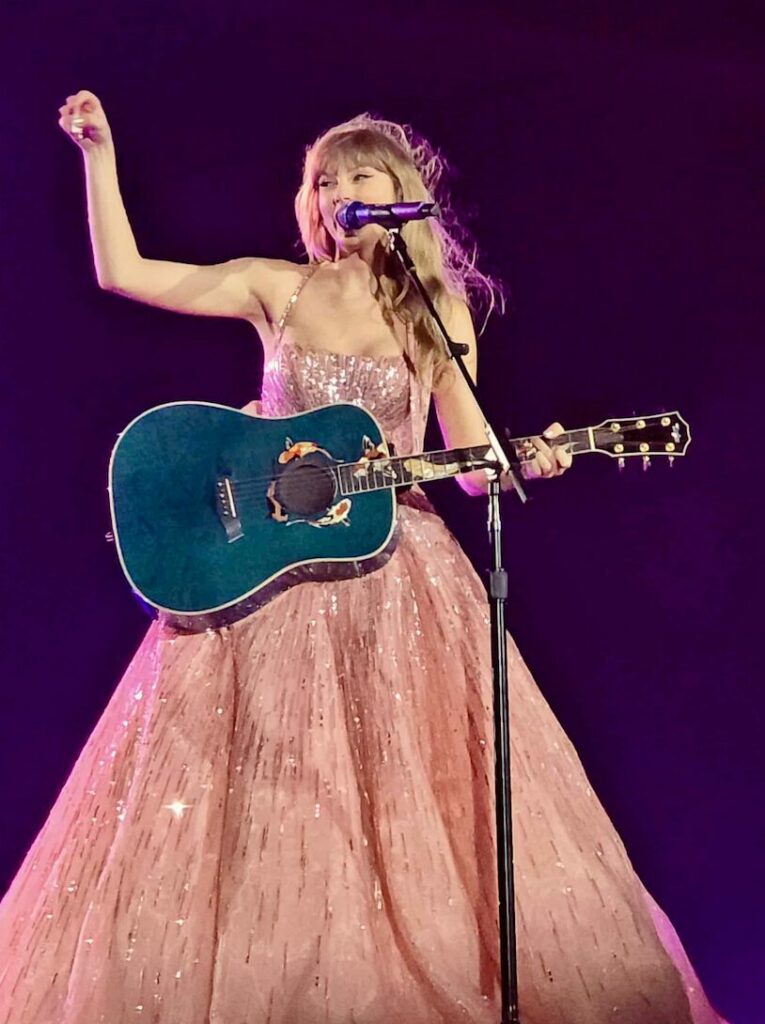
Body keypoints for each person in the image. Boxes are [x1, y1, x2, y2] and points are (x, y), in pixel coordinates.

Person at [0, 91, 727, 1024]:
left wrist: (527, 462)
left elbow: (468, 465)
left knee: (403, 801)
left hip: (394, 573)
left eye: (360, 173)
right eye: (322, 179)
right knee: (254, 799)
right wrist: (98, 155)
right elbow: (125, 273)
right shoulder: (280, 287)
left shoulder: (436, 309)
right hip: (264, 583)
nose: (338, 188)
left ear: (400, 193)